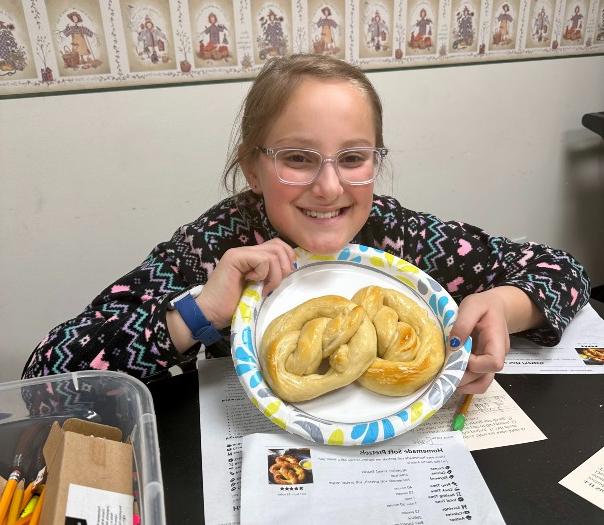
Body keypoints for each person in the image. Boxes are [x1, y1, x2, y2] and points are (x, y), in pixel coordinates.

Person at [22, 54, 590, 395]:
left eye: (352, 157)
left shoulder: (399, 239)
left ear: (377, 162)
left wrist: (507, 304)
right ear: (252, 166)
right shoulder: (215, 246)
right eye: (296, 158)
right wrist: (201, 311)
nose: (329, 187)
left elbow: (561, 270)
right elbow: (47, 375)